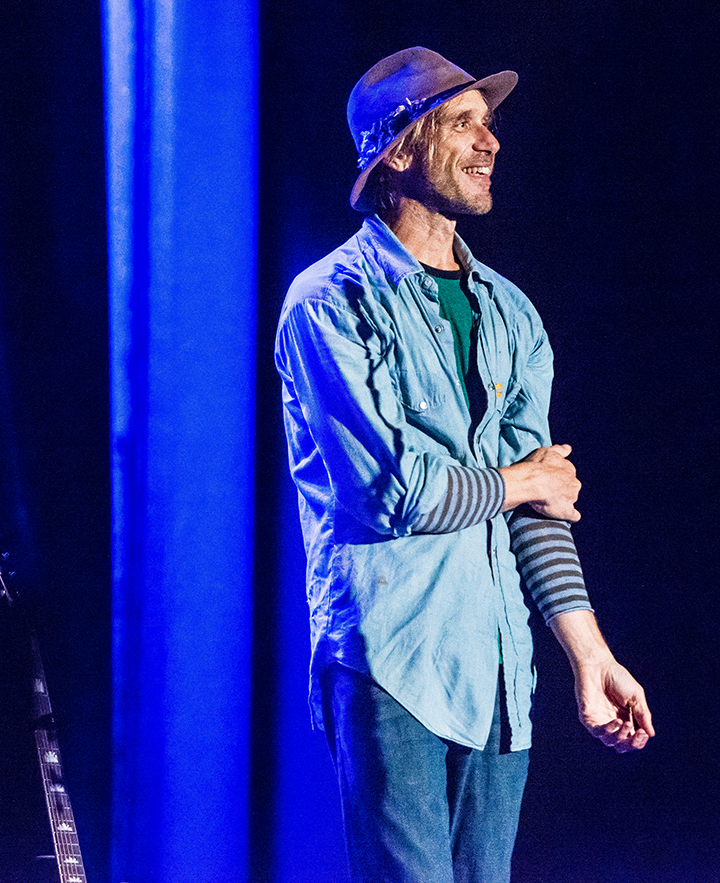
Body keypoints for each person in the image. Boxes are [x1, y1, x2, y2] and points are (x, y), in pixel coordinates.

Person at [274, 47, 655, 883]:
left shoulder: (512, 314)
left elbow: (539, 515)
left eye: (490, 124)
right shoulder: (331, 301)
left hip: (497, 667)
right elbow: (390, 491)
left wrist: (589, 654)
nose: (490, 142)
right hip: (392, 663)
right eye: (462, 124)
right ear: (397, 152)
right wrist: (522, 481)